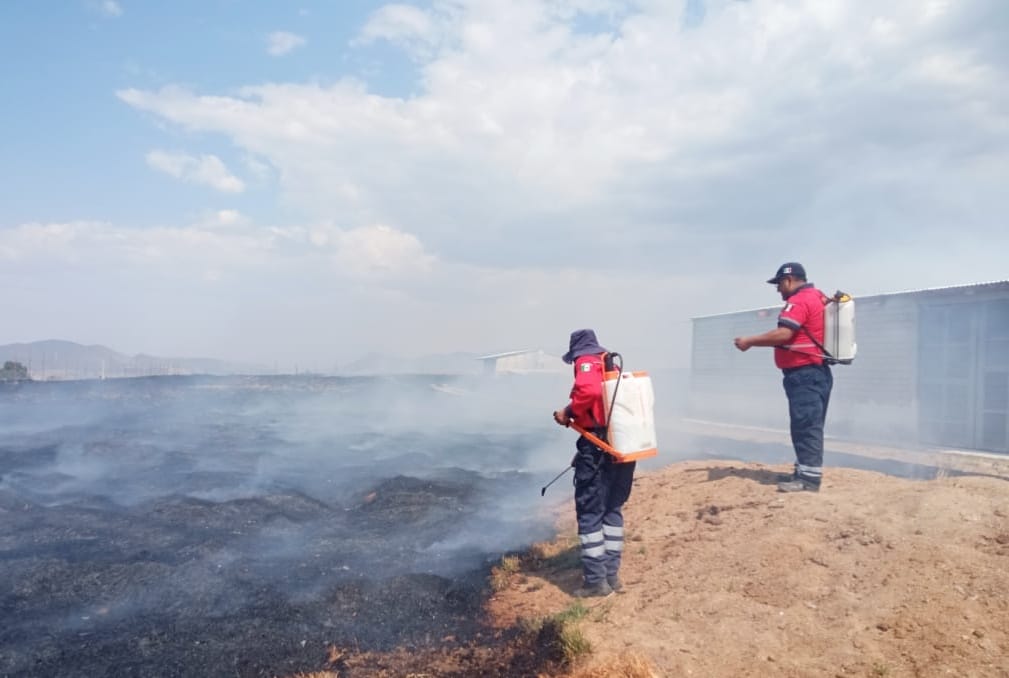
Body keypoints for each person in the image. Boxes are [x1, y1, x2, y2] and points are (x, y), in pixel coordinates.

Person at [733, 263, 833, 493]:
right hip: (817, 372)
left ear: (789, 280)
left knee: (805, 424)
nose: (778, 290)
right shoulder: (817, 296)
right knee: (809, 423)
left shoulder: (799, 301)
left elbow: (784, 333)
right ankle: (804, 470)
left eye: (779, 284)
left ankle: (808, 479)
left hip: (804, 374)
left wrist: (749, 341)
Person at [553, 329, 636, 597]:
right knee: (612, 509)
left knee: (590, 512)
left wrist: (568, 412)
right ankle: (612, 576)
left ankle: (595, 582)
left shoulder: (586, 360)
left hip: (598, 448)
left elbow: (587, 391)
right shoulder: (609, 365)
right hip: (621, 445)